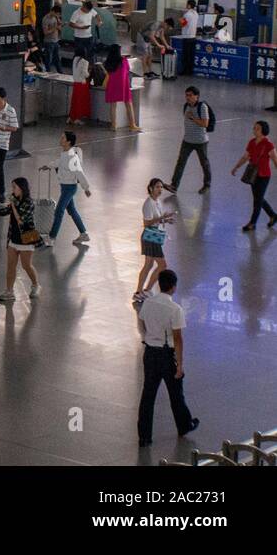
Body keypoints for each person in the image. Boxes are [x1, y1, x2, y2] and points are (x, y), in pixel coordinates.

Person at [136, 269, 199, 447]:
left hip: (150, 353)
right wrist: (179, 365)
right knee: (175, 393)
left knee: (148, 395)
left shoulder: (148, 303)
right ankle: (184, 425)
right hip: (166, 354)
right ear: (173, 287)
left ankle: (144, 436)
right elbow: (178, 338)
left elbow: (141, 322)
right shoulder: (175, 309)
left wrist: (148, 336)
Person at [0, 176, 40, 303]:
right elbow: (5, 210)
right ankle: (9, 291)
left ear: (22, 188)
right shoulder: (15, 200)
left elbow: (21, 220)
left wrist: (12, 205)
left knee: (26, 265)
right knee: (11, 266)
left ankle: (36, 285)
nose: (12, 190)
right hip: (13, 238)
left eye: (14, 187)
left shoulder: (29, 202)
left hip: (28, 238)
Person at [47, 131, 92, 247]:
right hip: (65, 187)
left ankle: (52, 237)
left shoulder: (72, 157)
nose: (60, 139)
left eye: (63, 138)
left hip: (69, 188)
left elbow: (79, 173)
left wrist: (86, 188)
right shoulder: (65, 153)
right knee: (71, 210)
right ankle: (83, 233)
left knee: (59, 211)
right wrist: (48, 166)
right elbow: (59, 162)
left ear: (68, 142)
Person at [166, 86, 212, 196]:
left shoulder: (202, 107)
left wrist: (193, 118)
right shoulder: (186, 106)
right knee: (181, 162)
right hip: (187, 140)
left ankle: (207, 184)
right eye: (186, 95)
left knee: (204, 163)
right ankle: (174, 185)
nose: (188, 98)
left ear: (197, 96)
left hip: (201, 141)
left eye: (190, 95)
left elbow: (205, 124)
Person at [232, 120, 277, 231]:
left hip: (264, 175)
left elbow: (275, 159)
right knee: (258, 198)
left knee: (257, 200)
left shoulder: (268, 145)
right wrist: (236, 166)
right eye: (254, 128)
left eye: (257, 128)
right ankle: (273, 215)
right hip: (253, 175)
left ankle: (252, 223)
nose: (254, 130)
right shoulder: (252, 142)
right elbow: (246, 157)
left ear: (263, 131)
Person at [136, 179, 175, 300]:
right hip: (150, 237)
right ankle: (143, 290)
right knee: (161, 264)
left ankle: (141, 291)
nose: (160, 190)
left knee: (149, 265)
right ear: (151, 188)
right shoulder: (148, 204)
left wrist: (165, 219)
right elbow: (147, 223)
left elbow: (157, 219)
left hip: (154, 236)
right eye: (158, 187)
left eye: (161, 187)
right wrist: (162, 217)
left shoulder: (157, 201)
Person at [103, 45, 140, 132]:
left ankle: (113, 125)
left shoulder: (108, 62)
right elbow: (128, 69)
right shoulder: (123, 60)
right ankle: (132, 125)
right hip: (123, 85)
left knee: (113, 105)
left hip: (112, 84)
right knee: (128, 104)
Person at [68, 54, 92, 126]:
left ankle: (71, 117)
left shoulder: (75, 59)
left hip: (76, 83)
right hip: (82, 84)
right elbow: (85, 74)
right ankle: (78, 119)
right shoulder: (85, 62)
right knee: (80, 102)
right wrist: (89, 73)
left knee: (74, 101)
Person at [41, 5, 63, 72]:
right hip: (49, 42)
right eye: (57, 13)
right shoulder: (46, 19)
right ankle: (48, 72)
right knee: (48, 59)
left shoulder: (55, 17)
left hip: (56, 40)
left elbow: (58, 27)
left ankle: (60, 72)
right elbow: (45, 32)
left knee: (57, 58)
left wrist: (61, 25)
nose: (58, 15)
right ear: (53, 11)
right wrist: (55, 28)